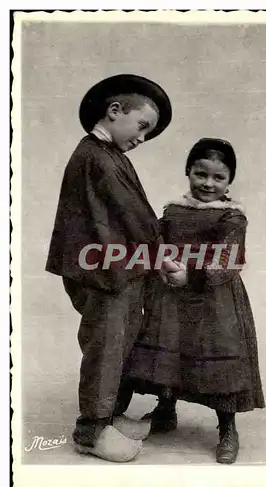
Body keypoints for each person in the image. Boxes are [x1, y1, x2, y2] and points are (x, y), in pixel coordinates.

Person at [45, 74, 173, 462]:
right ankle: (92, 431)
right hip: (103, 272)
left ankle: (111, 416)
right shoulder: (96, 158)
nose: (142, 138)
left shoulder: (108, 155)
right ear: (115, 111)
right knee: (106, 346)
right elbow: (132, 215)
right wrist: (161, 253)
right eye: (142, 126)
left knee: (119, 344)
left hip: (117, 268)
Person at [127, 138, 265, 464]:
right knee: (170, 352)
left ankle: (228, 429)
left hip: (213, 300)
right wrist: (159, 262)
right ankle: (165, 410)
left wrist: (191, 275)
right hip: (171, 297)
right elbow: (156, 241)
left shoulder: (232, 217)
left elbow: (229, 258)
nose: (208, 183)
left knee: (218, 362)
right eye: (200, 174)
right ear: (188, 171)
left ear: (230, 180)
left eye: (218, 178)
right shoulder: (173, 210)